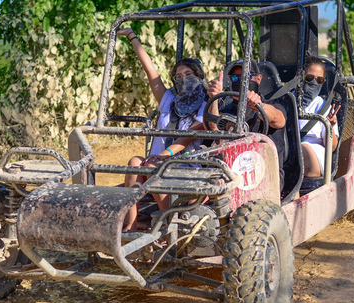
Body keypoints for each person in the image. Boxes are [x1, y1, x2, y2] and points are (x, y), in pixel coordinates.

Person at [118, 27, 207, 231]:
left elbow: (189, 135)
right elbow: (150, 70)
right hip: (156, 162)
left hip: (185, 165)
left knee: (150, 167)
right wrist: (133, 37)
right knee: (134, 162)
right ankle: (129, 227)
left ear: (198, 76)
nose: (183, 79)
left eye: (188, 74)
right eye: (178, 76)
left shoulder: (206, 104)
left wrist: (164, 156)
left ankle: (168, 224)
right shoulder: (169, 100)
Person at [206, 59, 287, 190]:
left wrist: (258, 106)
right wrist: (214, 98)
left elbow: (278, 120)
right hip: (229, 171)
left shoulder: (272, 105)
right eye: (235, 77)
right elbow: (214, 130)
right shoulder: (226, 108)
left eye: (246, 76)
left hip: (264, 172)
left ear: (258, 79)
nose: (240, 81)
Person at [299, 55, 341, 178]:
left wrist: (330, 126)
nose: (314, 83)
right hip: (289, 147)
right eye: (310, 78)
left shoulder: (324, 106)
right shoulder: (288, 99)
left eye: (319, 80)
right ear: (301, 76)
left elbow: (332, 147)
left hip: (315, 149)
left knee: (302, 152)